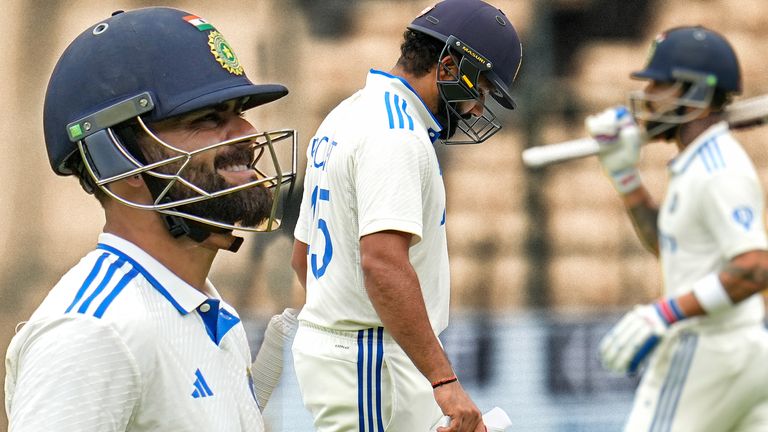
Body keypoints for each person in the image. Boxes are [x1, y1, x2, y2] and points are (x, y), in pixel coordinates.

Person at [4, 7, 297, 431]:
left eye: (238, 112)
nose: (247, 134)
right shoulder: (93, 333)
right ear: (117, 162)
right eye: (207, 119)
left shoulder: (208, 315)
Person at [289, 0, 522, 431]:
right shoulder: (396, 133)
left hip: (360, 357)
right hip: (373, 362)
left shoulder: (347, 113)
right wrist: (443, 379)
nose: (475, 108)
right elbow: (382, 263)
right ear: (450, 66)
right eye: (482, 89)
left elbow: (302, 258)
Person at [589, 26, 768, 431]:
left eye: (660, 84)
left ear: (697, 95)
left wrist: (665, 312)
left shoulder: (717, 168)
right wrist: (625, 177)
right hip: (743, 352)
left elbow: (756, 267)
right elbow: (668, 247)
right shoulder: (697, 163)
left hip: (707, 347)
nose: (648, 95)